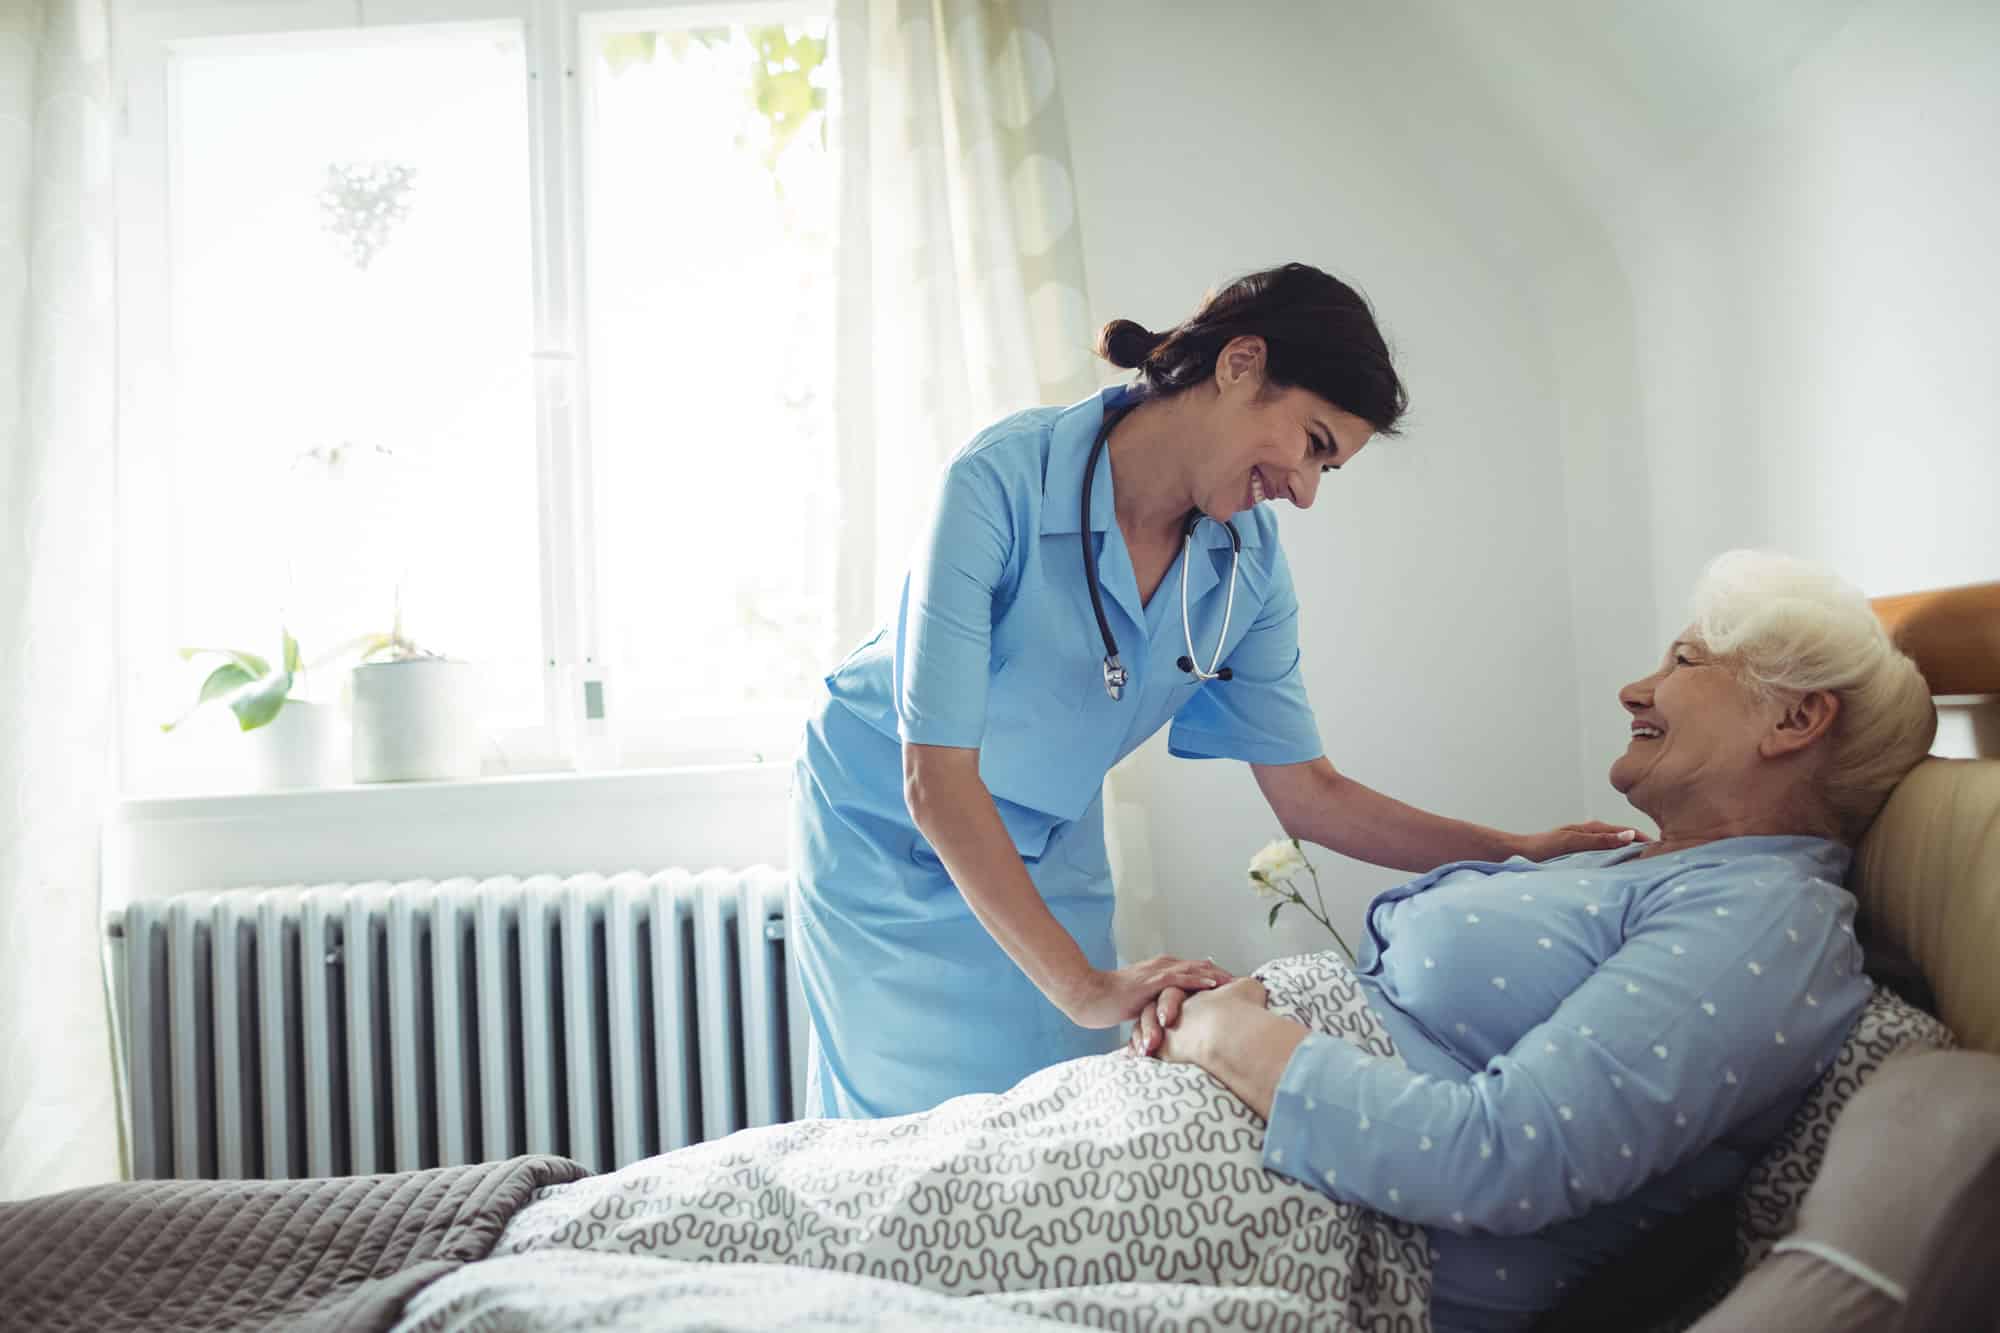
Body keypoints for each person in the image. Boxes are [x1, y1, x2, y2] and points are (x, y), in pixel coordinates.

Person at [790, 261, 1641, 1121]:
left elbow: (1313, 796)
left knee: (1053, 1118)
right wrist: (1083, 985)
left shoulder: (1247, 567)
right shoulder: (998, 483)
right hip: (885, 820)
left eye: (1329, 471)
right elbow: (935, 779)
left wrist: (1516, 850)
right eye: (1312, 443)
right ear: (1240, 364)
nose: (1305, 492)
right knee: (907, 1127)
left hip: (1045, 832)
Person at [1135, 549, 1939, 1332]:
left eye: (1685, 660)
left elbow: (1501, 1160)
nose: (1634, 690)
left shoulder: (1768, 916)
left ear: (1795, 719)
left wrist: (1230, 1034)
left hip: (1304, 1219)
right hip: (1203, 1143)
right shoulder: (1651, 865)